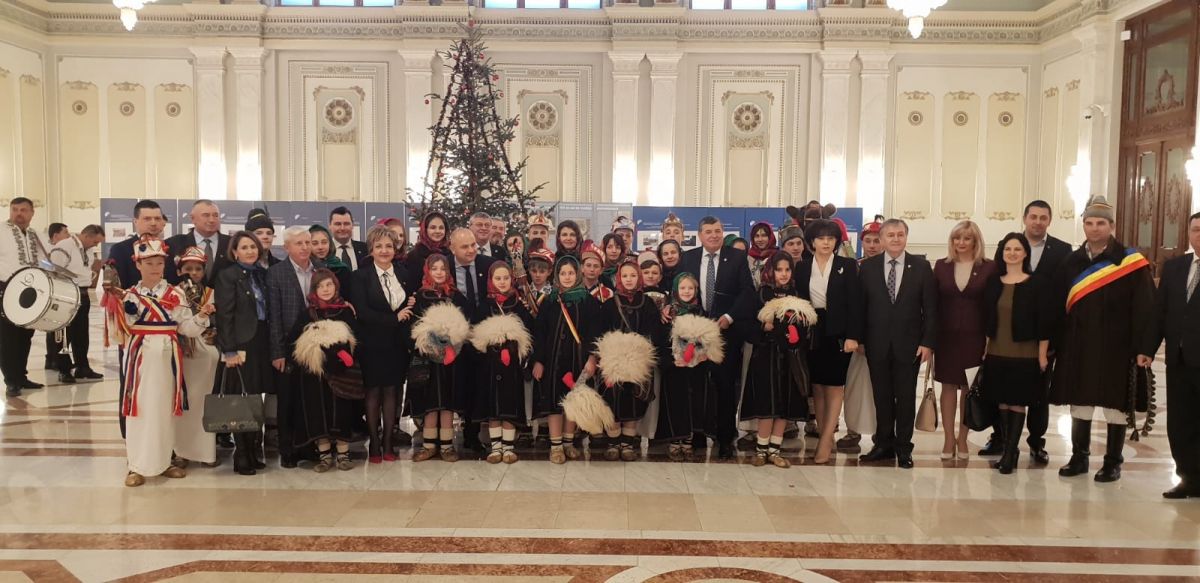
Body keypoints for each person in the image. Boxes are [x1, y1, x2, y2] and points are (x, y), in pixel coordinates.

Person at [1052, 195, 1154, 483]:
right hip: (1079, 345)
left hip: (1118, 347)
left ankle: (1112, 462)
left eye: (1100, 223)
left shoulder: (1131, 262)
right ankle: (1079, 457)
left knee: (1115, 406)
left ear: (1112, 226)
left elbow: (1145, 308)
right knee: (1080, 402)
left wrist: (1143, 348)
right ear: (1083, 225)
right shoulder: (1071, 262)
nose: (1094, 228)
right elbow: (1058, 306)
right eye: (1089, 223)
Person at [110, 237, 213, 487]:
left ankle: (164, 461)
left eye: (159, 263)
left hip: (168, 357)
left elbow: (186, 328)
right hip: (140, 357)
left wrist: (201, 316)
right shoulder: (129, 295)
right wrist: (113, 307)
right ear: (138, 265)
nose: (155, 268)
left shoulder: (175, 294)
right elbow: (120, 330)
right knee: (139, 408)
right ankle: (136, 465)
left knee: (166, 408)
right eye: (149, 263)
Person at [979, 200, 1071, 463]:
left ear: (1049, 220)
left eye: (1043, 217)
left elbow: (1060, 296)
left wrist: (1045, 349)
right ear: (1025, 218)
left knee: (1035, 398)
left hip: (1035, 342)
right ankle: (1003, 442)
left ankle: (1035, 443)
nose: (1038, 222)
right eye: (1033, 216)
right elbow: (989, 312)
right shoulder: (998, 274)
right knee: (1001, 397)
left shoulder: (1062, 251)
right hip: (1000, 345)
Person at [858, 219, 936, 469]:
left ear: (906, 237)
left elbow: (931, 308)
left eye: (900, 234)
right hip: (876, 344)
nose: (895, 239)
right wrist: (860, 339)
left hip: (909, 345)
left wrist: (927, 342)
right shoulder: (867, 267)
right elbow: (861, 308)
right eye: (890, 235)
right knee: (881, 397)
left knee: (905, 398)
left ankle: (903, 448)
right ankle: (883, 444)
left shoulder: (921, 267)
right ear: (881, 239)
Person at [681, 216, 754, 459]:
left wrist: (730, 317)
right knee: (696, 386)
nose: (713, 235)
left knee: (725, 387)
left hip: (726, 334)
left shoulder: (737, 257)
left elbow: (747, 292)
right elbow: (681, 290)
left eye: (717, 230)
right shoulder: (688, 258)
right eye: (708, 231)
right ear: (700, 235)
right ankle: (698, 434)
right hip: (695, 334)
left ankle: (725, 438)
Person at [1140, 212, 1200, 498]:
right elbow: (1159, 312)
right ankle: (1189, 478)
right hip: (1178, 359)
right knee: (1180, 422)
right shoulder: (1175, 267)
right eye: (1196, 230)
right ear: (1188, 233)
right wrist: (1147, 349)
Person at [982, 233, 1051, 475]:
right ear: (1002, 253)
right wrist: (984, 349)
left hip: (1025, 352)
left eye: (1017, 249)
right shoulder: (994, 282)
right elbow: (987, 318)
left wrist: (1042, 354)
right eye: (1008, 249)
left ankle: (1010, 453)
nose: (1012, 253)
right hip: (997, 350)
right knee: (1002, 401)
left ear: (1025, 254)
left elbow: (1044, 323)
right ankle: (1007, 449)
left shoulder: (1036, 283)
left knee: (1017, 402)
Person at [795, 219, 862, 464]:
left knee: (834, 386)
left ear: (836, 242)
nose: (826, 242)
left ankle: (825, 439)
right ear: (811, 242)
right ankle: (825, 433)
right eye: (821, 238)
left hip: (838, 332)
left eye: (831, 238)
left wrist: (853, 336)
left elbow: (855, 303)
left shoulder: (847, 265)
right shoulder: (802, 267)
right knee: (817, 386)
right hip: (812, 330)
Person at [739, 253, 814, 468]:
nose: (783, 274)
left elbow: (806, 325)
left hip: (790, 357)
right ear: (771, 271)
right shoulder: (762, 293)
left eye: (787, 269)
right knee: (767, 403)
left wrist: (797, 331)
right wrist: (763, 327)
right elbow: (747, 324)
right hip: (766, 355)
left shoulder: (797, 294)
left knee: (784, 404)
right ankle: (761, 450)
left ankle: (775, 450)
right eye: (779, 269)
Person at [349, 226, 415, 464]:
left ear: (395, 248)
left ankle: (388, 442)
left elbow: (410, 305)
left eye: (388, 246)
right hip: (372, 344)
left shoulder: (405, 274)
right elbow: (362, 312)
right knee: (373, 392)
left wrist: (412, 304)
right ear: (371, 250)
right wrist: (394, 318)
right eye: (379, 246)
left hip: (397, 345)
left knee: (392, 392)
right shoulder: (360, 276)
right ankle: (374, 443)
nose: (384, 250)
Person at [931, 220, 995, 461]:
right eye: (957, 238)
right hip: (946, 337)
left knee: (969, 389)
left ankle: (962, 438)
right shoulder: (941, 266)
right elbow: (933, 304)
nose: (961, 242)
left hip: (975, 337)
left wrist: (990, 338)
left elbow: (993, 306)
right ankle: (948, 438)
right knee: (948, 387)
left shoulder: (989, 267)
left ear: (976, 241)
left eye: (967, 238)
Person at [290, 268, 362, 472]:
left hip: (341, 374)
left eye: (329, 284)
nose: (325, 289)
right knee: (318, 413)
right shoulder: (308, 314)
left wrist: (342, 353)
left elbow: (356, 338)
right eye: (320, 286)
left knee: (341, 412)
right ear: (314, 290)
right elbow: (295, 341)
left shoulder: (345, 311)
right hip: (316, 375)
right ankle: (324, 456)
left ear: (336, 286)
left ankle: (343, 454)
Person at [214, 231, 274, 475]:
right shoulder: (227, 276)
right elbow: (224, 315)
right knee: (240, 398)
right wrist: (228, 350)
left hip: (262, 341)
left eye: (253, 247)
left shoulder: (262, 274)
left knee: (255, 397)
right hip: (240, 344)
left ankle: (253, 450)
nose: (250, 251)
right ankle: (242, 454)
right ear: (235, 252)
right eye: (244, 247)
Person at [532, 256, 601, 464]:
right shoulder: (549, 301)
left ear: (578, 274)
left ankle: (568, 442)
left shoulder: (588, 302)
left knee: (573, 401)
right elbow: (540, 333)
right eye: (563, 273)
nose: (567, 277)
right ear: (556, 275)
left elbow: (594, 333)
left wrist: (592, 359)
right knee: (554, 402)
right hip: (553, 361)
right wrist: (538, 361)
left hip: (578, 361)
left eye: (571, 273)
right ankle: (556, 446)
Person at [267, 226, 323, 468]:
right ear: (286, 247)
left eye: (307, 242)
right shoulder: (276, 273)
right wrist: (277, 352)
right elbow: (274, 317)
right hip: (288, 346)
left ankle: (307, 445)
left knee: (309, 399)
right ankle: (287, 449)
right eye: (299, 243)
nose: (305, 247)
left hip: (315, 346)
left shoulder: (321, 270)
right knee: (287, 400)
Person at [598, 259, 663, 461]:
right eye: (624, 275)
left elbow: (654, 332)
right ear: (618, 278)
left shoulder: (648, 304)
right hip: (614, 364)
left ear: (639, 278)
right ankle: (613, 443)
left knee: (634, 401)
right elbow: (602, 333)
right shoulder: (609, 304)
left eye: (633, 275)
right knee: (611, 400)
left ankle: (627, 444)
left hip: (638, 362)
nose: (629, 279)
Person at [409, 253, 470, 462]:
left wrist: (452, 343)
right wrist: (431, 343)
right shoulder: (420, 296)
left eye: (443, 269)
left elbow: (464, 323)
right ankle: (428, 445)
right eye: (434, 268)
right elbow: (414, 326)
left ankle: (446, 446)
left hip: (450, 359)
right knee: (430, 402)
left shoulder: (455, 296)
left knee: (447, 402)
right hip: (427, 359)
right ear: (427, 271)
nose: (439, 272)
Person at [472, 262, 533, 464]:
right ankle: (495, 448)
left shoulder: (518, 304)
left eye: (506, 278)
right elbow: (476, 334)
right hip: (490, 367)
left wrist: (515, 348)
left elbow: (528, 331)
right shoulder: (485, 305)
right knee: (493, 409)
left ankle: (508, 448)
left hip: (512, 368)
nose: (502, 282)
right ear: (491, 280)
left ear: (512, 279)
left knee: (509, 407)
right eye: (498, 278)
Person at [656, 272, 719, 461]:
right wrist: (670, 361)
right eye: (682, 288)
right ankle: (675, 442)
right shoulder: (668, 314)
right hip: (675, 369)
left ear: (696, 290)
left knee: (693, 404)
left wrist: (704, 355)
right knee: (675, 404)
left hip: (696, 369)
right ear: (675, 290)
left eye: (690, 288)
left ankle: (688, 441)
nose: (686, 291)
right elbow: (661, 341)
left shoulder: (701, 313)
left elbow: (710, 339)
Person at [838, 220, 883, 453]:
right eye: (868, 241)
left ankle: (881, 431)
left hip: (883, 337)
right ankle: (853, 430)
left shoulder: (890, 268)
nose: (872, 245)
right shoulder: (855, 268)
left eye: (877, 241)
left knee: (881, 388)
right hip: (858, 339)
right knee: (854, 387)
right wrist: (857, 337)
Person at [172, 246, 219, 470]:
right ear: (179, 271)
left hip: (207, 354)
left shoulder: (211, 292)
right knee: (185, 401)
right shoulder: (173, 293)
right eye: (188, 268)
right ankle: (181, 451)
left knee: (205, 403)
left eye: (198, 269)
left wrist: (215, 331)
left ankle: (205, 452)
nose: (193, 273)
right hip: (184, 352)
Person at [1, 197, 49, 397]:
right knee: (8, 337)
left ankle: (21, 376)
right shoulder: (1, 231)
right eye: (15, 209)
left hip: (31, 290)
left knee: (25, 336)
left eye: (23, 210)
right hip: (6, 288)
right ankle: (11, 380)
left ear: (32, 213)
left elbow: (45, 260)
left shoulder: (35, 234)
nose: (18, 213)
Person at [46, 224, 105, 384]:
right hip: (67, 294)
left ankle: (82, 367)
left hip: (83, 294)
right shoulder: (64, 246)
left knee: (82, 334)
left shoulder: (87, 250)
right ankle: (64, 370)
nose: (96, 245)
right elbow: (53, 270)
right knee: (64, 336)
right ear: (87, 236)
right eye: (95, 242)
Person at [109, 199, 168, 290]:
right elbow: (117, 288)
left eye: (157, 219)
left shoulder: (169, 247)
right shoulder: (120, 250)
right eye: (147, 219)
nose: (153, 223)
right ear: (135, 222)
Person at [166, 200, 229, 285]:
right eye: (206, 215)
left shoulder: (232, 244)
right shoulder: (174, 244)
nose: (212, 220)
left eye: (215, 215)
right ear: (193, 218)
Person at [405, 212, 449, 291]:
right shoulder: (414, 256)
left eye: (441, 228)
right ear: (425, 230)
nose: (437, 231)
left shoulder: (449, 254)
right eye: (433, 227)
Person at [309, 225, 353, 293]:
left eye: (324, 242)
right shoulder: (305, 268)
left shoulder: (341, 269)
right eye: (315, 243)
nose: (320, 247)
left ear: (330, 244)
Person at [328, 206, 367, 272]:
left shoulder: (365, 249)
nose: (342, 228)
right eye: (338, 224)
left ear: (352, 225)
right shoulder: (324, 250)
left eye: (346, 224)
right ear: (330, 226)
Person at [747, 222, 777, 289]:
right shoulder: (748, 258)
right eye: (757, 236)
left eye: (764, 235)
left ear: (770, 237)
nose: (760, 239)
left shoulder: (777, 256)